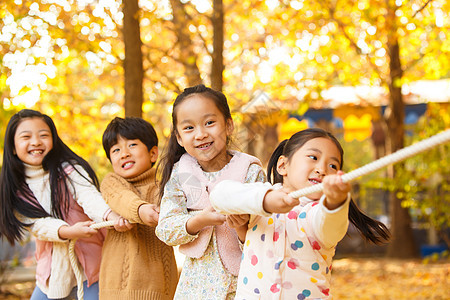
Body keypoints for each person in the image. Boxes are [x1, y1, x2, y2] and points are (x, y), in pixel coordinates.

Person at [210, 128, 390, 299]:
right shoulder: (259, 198)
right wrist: (266, 201)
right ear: (283, 165)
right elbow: (219, 195)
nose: (322, 169)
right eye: (313, 157)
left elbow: (331, 227)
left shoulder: (317, 213)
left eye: (333, 165)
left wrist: (335, 203)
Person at [155, 84, 266, 299]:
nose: (201, 134)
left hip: (244, 282)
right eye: (189, 128)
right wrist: (199, 220)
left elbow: (264, 234)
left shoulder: (249, 172)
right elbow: (165, 228)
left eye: (209, 123)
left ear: (229, 125)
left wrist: (243, 225)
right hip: (196, 286)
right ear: (178, 137)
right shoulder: (180, 173)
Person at [0, 109, 125, 300]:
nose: (35, 142)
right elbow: (37, 224)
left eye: (43, 135)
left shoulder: (68, 169)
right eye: (26, 137)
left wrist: (110, 216)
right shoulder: (15, 188)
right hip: (52, 269)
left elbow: (89, 197)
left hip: (92, 264)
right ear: (13, 147)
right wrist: (67, 231)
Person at [99, 116, 178, 299]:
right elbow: (121, 198)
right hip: (114, 288)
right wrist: (141, 211)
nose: (124, 153)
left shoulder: (166, 187)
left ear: (153, 154)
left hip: (158, 287)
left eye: (132, 145)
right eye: (116, 150)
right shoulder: (112, 182)